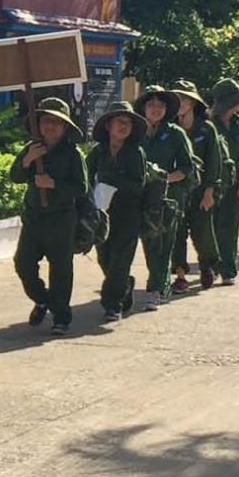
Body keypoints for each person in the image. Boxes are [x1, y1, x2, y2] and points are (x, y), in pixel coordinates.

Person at [10, 97, 87, 333]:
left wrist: (53, 184)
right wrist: (27, 161)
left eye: (57, 122)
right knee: (23, 264)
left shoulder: (73, 154)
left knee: (61, 270)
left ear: (65, 127)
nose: (50, 126)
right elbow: (15, 176)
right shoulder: (32, 148)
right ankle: (43, 299)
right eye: (46, 121)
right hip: (34, 219)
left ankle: (61, 317)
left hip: (61, 220)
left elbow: (81, 188)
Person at [86, 101, 148, 321]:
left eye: (128, 123)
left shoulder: (135, 153)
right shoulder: (98, 152)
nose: (123, 126)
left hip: (128, 214)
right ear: (108, 125)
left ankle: (112, 304)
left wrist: (112, 183)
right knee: (105, 258)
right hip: (102, 215)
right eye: (119, 121)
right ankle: (124, 285)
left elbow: (139, 184)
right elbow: (85, 180)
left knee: (121, 260)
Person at [134, 86, 193, 306]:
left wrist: (165, 179)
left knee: (164, 243)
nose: (155, 109)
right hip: (141, 197)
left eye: (160, 105)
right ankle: (158, 282)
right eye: (151, 104)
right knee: (149, 242)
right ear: (143, 108)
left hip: (169, 197)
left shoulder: (175, 133)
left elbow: (187, 167)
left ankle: (157, 288)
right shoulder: (135, 132)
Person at [170, 82, 222, 291]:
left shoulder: (206, 129)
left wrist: (209, 191)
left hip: (201, 190)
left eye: (182, 99)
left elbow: (214, 162)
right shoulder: (170, 128)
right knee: (176, 233)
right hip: (176, 190)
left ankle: (208, 265)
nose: (179, 104)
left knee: (203, 232)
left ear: (192, 102)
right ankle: (180, 274)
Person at [209, 78, 239, 285]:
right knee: (210, 228)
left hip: (234, 184)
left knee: (230, 227)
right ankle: (211, 266)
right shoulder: (209, 125)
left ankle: (228, 269)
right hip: (212, 184)